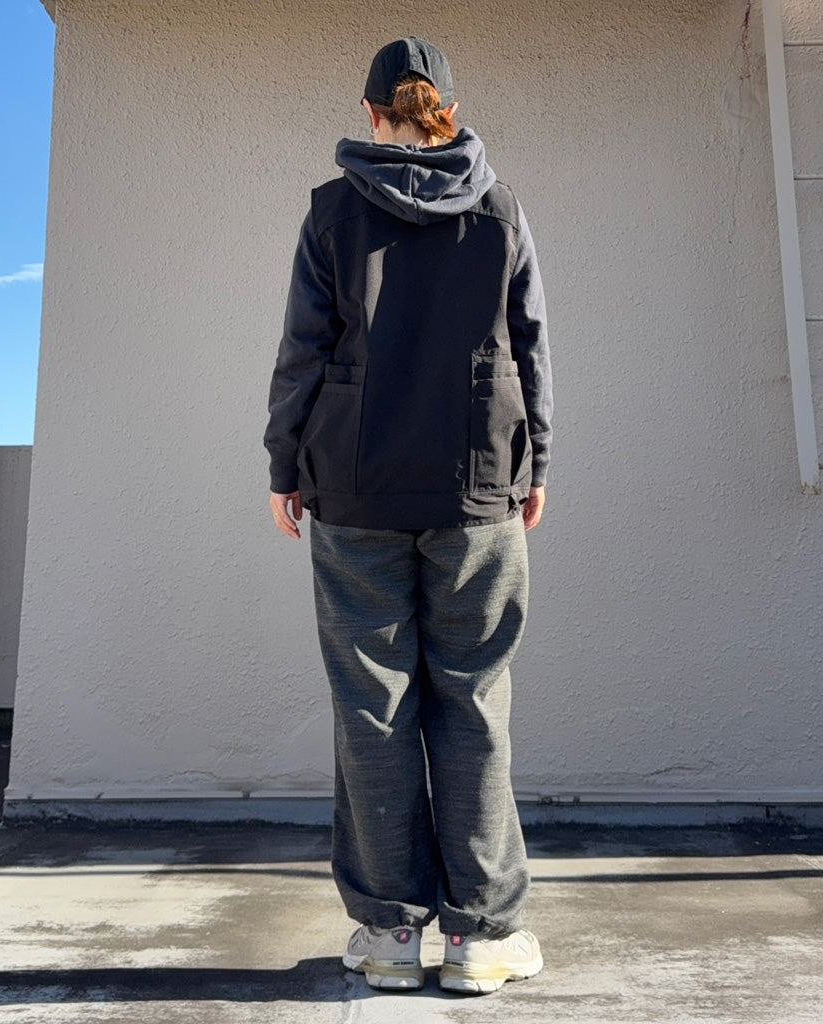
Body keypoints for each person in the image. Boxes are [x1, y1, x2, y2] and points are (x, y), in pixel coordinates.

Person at [264, 37, 552, 995]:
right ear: (446, 112)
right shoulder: (500, 208)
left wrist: (283, 465)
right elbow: (530, 346)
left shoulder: (332, 211)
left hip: (354, 489)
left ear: (369, 110)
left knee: (372, 705)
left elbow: (304, 351)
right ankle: (481, 939)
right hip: (478, 489)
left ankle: (389, 934)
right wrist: (538, 462)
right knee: (473, 700)